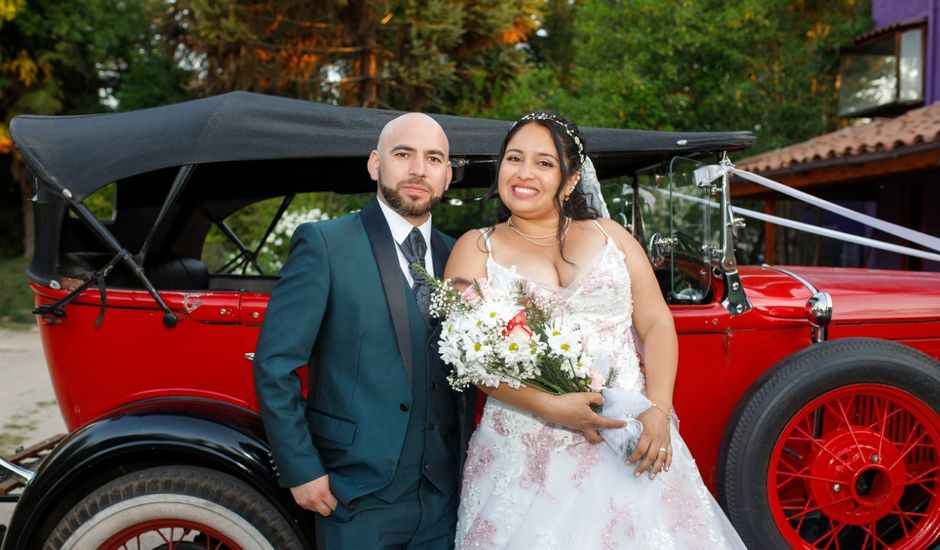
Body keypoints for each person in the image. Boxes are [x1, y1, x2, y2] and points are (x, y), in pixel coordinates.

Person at [444, 112, 746, 548]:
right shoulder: (475, 247)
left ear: (569, 180)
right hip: (526, 454)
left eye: (544, 163)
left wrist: (659, 411)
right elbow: (469, 357)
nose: (525, 173)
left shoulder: (613, 237)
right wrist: (550, 407)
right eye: (514, 158)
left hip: (632, 438)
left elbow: (657, 323)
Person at [254, 112, 476, 548]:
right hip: (353, 497)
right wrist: (301, 469)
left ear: (447, 176)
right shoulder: (324, 244)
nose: (418, 169)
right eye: (403, 154)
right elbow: (274, 365)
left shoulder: (461, 256)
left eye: (433, 159)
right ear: (376, 164)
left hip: (444, 500)